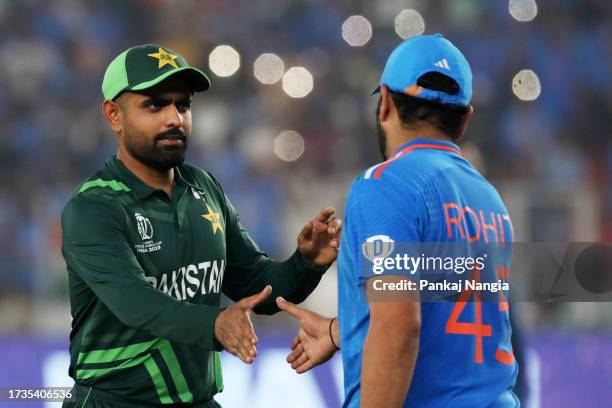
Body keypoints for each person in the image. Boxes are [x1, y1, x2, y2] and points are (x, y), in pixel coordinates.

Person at [61, 44, 341, 407]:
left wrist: (306, 264)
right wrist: (215, 324)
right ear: (114, 115)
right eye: (154, 105)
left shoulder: (204, 187)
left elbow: (256, 284)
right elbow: (136, 303)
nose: (174, 118)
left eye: (183, 104)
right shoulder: (94, 207)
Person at [277, 34, 519, 407]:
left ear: (385, 102)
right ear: (464, 119)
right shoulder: (489, 200)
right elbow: (440, 300)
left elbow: (400, 324)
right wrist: (339, 332)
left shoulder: (386, 184)